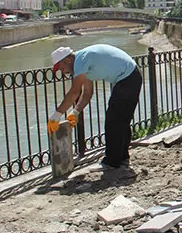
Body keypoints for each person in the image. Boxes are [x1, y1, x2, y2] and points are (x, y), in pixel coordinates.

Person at [48, 44, 142, 172]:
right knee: (120, 121)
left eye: (61, 67)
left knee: (113, 121)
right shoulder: (83, 63)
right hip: (130, 76)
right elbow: (87, 93)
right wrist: (75, 112)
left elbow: (74, 92)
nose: (63, 71)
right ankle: (122, 159)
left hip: (128, 78)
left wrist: (56, 115)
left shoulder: (80, 61)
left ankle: (112, 162)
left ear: (68, 60)